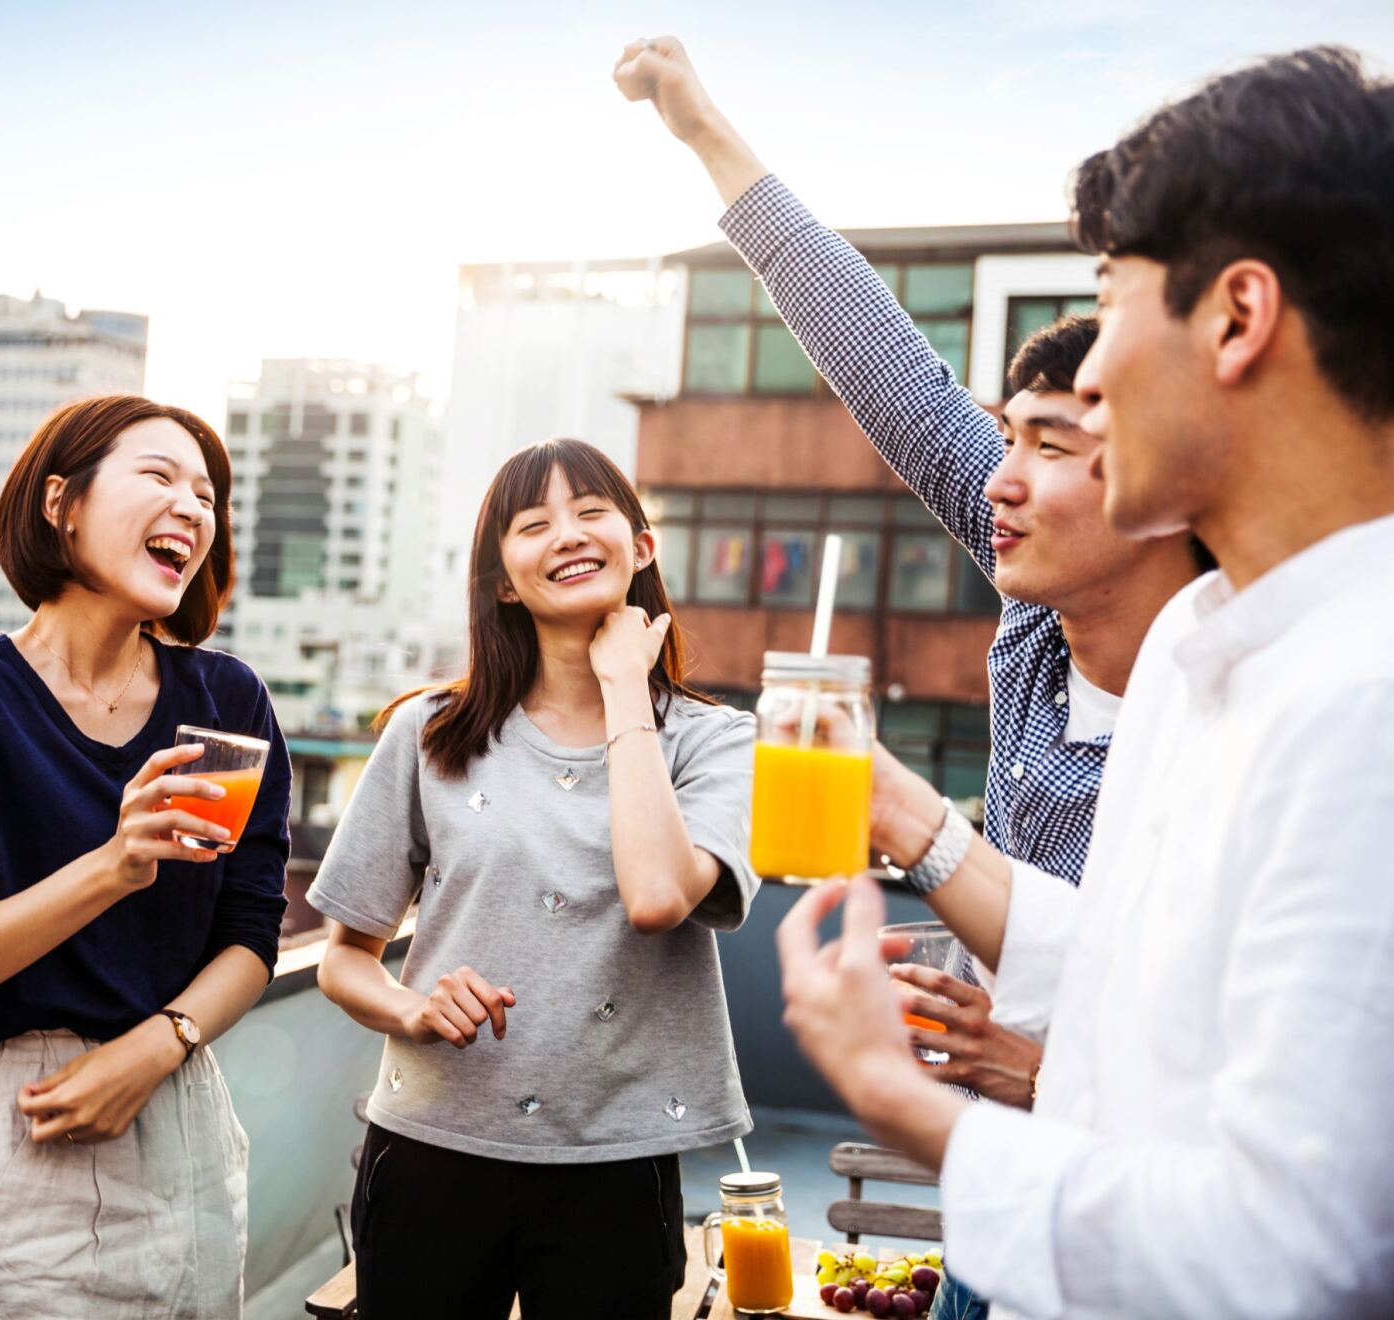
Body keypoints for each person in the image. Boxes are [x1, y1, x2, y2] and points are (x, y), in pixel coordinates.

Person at [768, 47, 1394, 1319]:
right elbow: (1123, 959)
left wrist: (898, 1103)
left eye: (1108, 304)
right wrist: (911, 819)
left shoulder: (1365, 700)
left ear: (1238, 315)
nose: (1091, 377)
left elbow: (1297, 1252)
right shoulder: (1196, 648)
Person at [614, 41, 1210, 1314]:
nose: (995, 476)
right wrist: (702, 128)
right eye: (1004, 437)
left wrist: (1040, 1062)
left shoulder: (1225, 705)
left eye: (1050, 442)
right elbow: (876, 355)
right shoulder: (1033, 613)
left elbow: (1215, 1085)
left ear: (1163, 484)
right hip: (997, 1197)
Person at [311, 439, 762, 1319]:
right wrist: (414, 1006)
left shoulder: (715, 742)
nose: (567, 533)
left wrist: (626, 687)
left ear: (640, 547)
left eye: (591, 511)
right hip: (430, 1152)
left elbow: (658, 897)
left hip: (617, 1161)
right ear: (505, 582)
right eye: (534, 523)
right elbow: (343, 959)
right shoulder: (427, 732)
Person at [0, 394, 289, 1320]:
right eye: (160, 477)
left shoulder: (227, 699)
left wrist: (156, 1047)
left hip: (179, 1105)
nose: (193, 508)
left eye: (208, 496)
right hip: (26, 1126)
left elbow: (251, 934)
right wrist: (112, 865)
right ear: (61, 502)